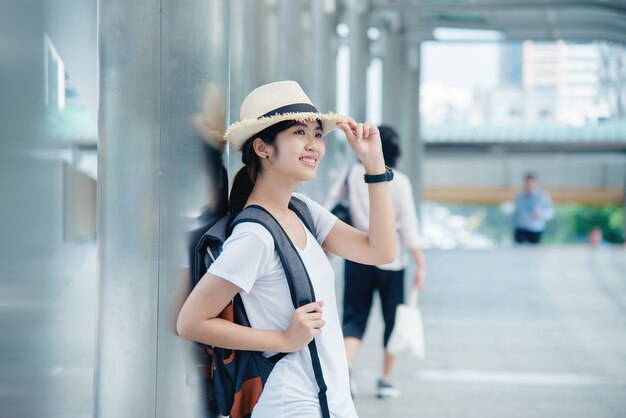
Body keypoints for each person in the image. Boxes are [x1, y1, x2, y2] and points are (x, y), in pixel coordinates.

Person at [176, 80, 397, 418]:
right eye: (299, 133)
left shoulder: (303, 211)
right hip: (291, 405)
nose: (314, 146)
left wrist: (374, 167)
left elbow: (381, 251)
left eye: (318, 135)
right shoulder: (255, 235)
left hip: (332, 402)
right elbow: (191, 322)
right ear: (263, 148)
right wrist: (282, 339)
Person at [327, 125, 426, 399]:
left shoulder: (351, 174)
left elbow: (331, 204)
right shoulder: (401, 182)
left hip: (357, 254)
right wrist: (420, 264)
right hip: (392, 261)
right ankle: (385, 380)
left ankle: (347, 366)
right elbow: (408, 227)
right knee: (391, 319)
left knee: (354, 316)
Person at [513, 173, 554, 244]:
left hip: (535, 229)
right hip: (520, 229)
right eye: (526, 183)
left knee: (534, 252)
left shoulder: (543, 196)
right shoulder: (519, 196)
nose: (528, 185)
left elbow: (550, 212)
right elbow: (516, 213)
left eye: (530, 183)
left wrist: (540, 214)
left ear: (536, 183)